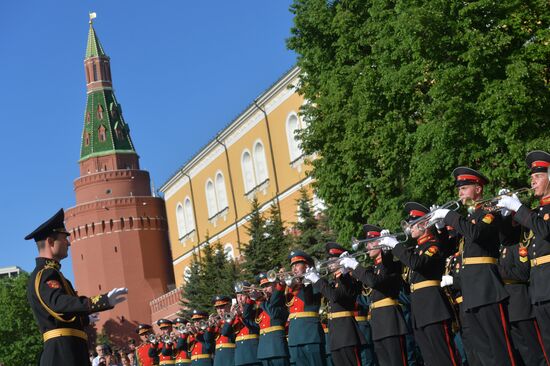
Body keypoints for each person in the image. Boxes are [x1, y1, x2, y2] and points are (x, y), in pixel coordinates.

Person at [430, 167, 516, 365]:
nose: (460, 193)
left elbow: (476, 234)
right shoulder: (468, 219)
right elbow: (448, 249)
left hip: (487, 287)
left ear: (478, 189)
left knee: (500, 347)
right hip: (471, 291)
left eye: (464, 188)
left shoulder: (488, 211)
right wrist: (441, 230)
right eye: (459, 189)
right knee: (483, 351)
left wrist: (450, 216)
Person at [25, 208, 128, 366]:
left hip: (69, 351)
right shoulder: (45, 274)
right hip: (62, 354)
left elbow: (62, 315)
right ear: (51, 242)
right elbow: (59, 304)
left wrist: (84, 318)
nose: (68, 243)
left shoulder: (55, 275)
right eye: (64, 238)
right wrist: (101, 301)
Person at [382, 203, 458, 365]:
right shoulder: (414, 249)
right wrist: (387, 251)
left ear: (424, 225)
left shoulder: (433, 245)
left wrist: (396, 245)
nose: (409, 229)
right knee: (430, 358)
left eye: (413, 225)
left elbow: (416, 264)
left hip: (433, 307)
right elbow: (390, 269)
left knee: (444, 355)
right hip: (419, 310)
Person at [497, 150, 550, 360]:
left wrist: (519, 207)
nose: (532, 181)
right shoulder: (535, 212)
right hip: (538, 287)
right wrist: (505, 215)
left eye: (537, 176)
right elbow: (508, 239)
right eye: (532, 177)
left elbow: (545, 231)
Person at [340, 228, 408, 366]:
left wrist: (356, 265)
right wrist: (345, 274)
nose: (367, 246)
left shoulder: (390, 265)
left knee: (397, 362)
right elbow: (354, 291)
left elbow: (373, 281)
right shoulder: (372, 269)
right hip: (377, 322)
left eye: (371, 242)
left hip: (390, 321)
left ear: (380, 242)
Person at [305, 242, 365, 366]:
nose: (329, 263)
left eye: (333, 260)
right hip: (335, 335)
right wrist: (310, 282)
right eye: (329, 260)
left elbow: (334, 296)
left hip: (347, 333)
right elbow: (311, 300)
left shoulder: (348, 278)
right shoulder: (333, 282)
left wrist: (317, 280)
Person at [285, 250, 326, 366]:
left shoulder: (315, 281)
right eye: (292, 266)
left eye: (297, 264)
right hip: (295, 338)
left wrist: (305, 279)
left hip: (311, 336)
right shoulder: (292, 288)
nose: (294, 269)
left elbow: (309, 300)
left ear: (306, 266)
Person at [254, 272, 290, 366]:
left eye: (267, 285)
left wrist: (260, 300)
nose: (265, 289)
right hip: (264, 350)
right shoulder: (264, 304)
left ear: (275, 285)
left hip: (277, 348)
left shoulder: (280, 299)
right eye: (263, 286)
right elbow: (246, 317)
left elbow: (272, 311)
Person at [232, 281, 261, 366]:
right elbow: (226, 332)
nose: (240, 299)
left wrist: (250, 299)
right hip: (240, 357)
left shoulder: (255, 310)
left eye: (242, 295)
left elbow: (254, 326)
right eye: (238, 296)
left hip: (253, 354)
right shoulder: (234, 315)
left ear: (248, 296)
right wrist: (230, 319)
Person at [212, 295, 236, 366]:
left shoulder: (233, 318)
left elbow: (226, 331)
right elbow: (207, 341)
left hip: (230, 356)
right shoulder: (216, 323)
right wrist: (209, 328)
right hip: (218, 359)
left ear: (229, 306)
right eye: (217, 308)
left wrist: (231, 314)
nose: (219, 310)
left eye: (222, 307)